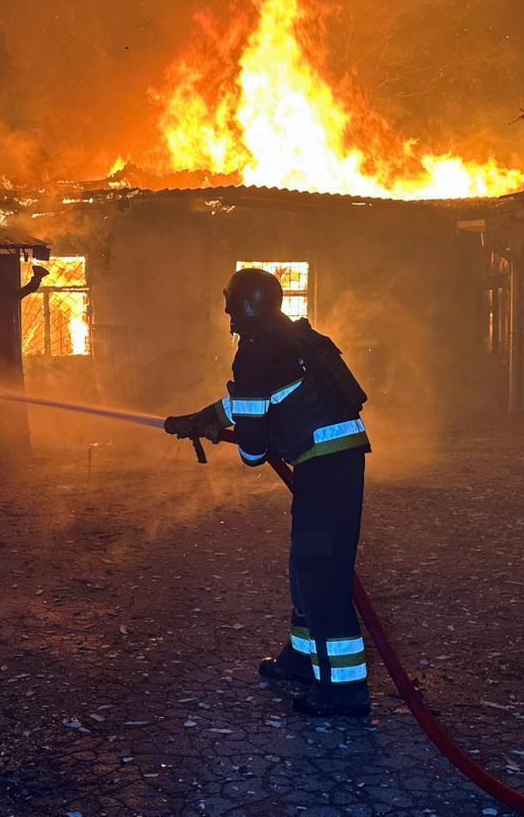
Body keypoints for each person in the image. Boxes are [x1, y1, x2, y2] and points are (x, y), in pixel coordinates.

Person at [164, 267, 372, 717]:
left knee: (320, 574)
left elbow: (254, 447)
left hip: (326, 466)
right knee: (305, 567)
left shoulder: (256, 351)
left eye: (231, 305)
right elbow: (258, 398)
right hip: (332, 461)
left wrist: (242, 440)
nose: (227, 313)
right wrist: (203, 418)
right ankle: (302, 657)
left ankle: (343, 690)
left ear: (245, 307)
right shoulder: (288, 338)